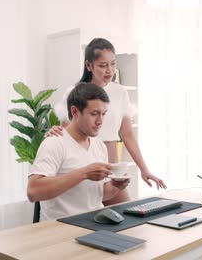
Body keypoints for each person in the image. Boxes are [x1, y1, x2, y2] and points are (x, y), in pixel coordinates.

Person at [48, 38, 167, 206]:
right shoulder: (75, 93)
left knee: (125, 213)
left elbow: (127, 135)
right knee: (87, 214)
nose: (109, 70)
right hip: (83, 163)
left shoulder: (120, 92)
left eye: (113, 64)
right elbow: (65, 132)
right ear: (89, 65)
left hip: (111, 164)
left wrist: (144, 170)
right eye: (103, 65)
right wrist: (53, 131)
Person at [27, 83, 130, 221]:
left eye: (103, 114)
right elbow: (33, 192)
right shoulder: (55, 143)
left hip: (94, 225)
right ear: (75, 112)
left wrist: (116, 187)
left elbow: (99, 195)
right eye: (94, 114)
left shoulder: (99, 145)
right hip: (60, 230)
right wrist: (84, 173)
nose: (100, 121)